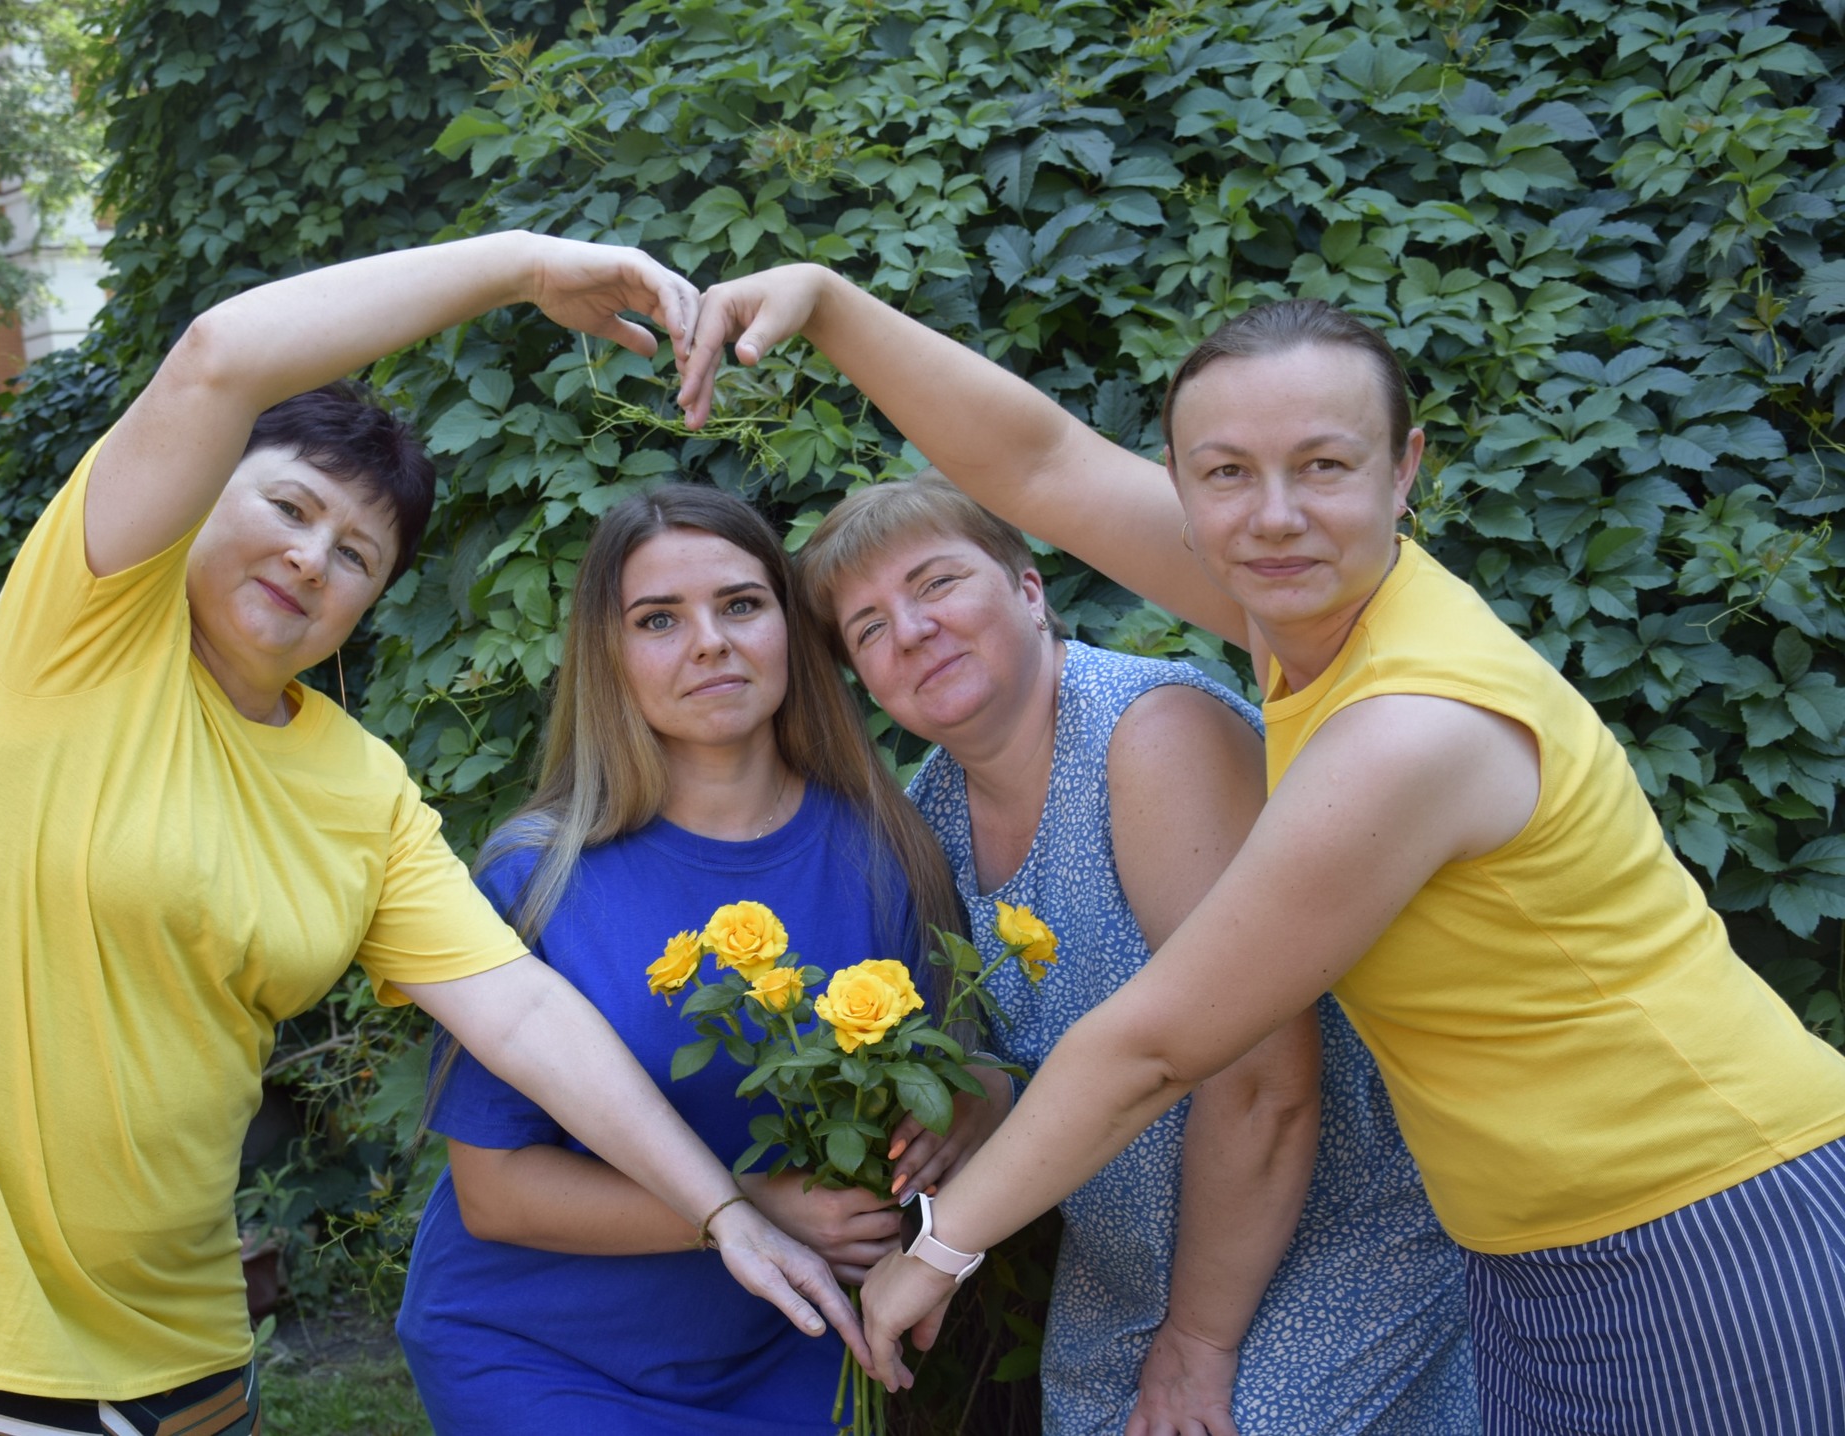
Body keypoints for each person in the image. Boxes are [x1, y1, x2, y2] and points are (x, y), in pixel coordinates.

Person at [675, 267, 1845, 1435]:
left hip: (1701, 1214)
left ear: (1403, 469)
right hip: (1532, 1244)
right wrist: (828, 303)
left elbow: (1157, 1042)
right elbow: (1040, 462)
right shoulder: (1304, 613)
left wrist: (936, 1250)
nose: (1273, 514)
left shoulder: (1405, 729)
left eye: (1322, 464)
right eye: (1225, 472)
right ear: (1181, 487)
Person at [0, 234, 868, 1435]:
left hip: (187, 1333)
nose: (311, 558)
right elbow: (218, 355)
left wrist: (721, 1207)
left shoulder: (360, 788)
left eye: (357, 553)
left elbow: (520, 1010)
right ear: (206, 489)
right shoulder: (82, 631)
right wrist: (521, 267)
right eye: (288, 506)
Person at [793, 473, 1473, 1435]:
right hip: (1126, 1279)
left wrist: (1198, 1342)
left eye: (937, 583)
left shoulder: (1152, 734)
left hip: (1328, 1244)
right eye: (868, 628)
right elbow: (1032, 1047)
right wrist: (976, 1096)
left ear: (1030, 590)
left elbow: (1264, 1080)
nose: (910, 630)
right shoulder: (929, 810)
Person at [396, 484, 969, 1435]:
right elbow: (494, 1195)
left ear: (791, 631)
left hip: (793, 1345)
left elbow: (943, 1086)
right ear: (609, 655)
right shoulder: (536, 876)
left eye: (741, 604)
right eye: (658, 619)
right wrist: (757, 1208)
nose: (710, 642)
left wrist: (974, 1107)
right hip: (542, 1353)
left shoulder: (886, 851)